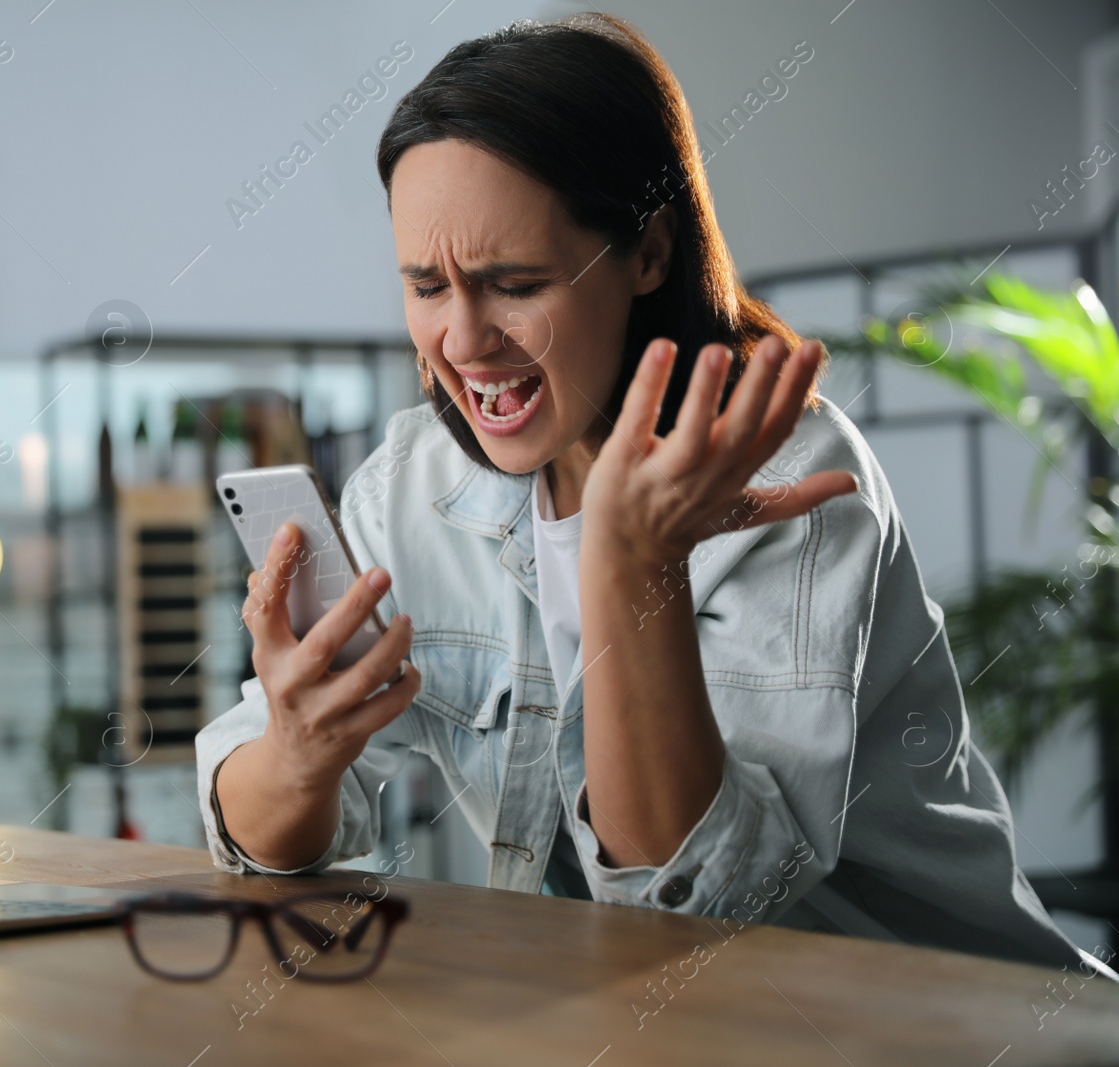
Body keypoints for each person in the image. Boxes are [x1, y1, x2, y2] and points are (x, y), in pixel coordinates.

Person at [195, 12, 1108, 973]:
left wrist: (632, 567)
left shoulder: (782, 478)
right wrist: (298, 749)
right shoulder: (414, 483)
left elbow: (703, 902)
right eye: (426, 286)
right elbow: (249, 830)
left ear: (648, 252)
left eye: (513, 282)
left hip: (938, 1024)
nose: (462, 341)